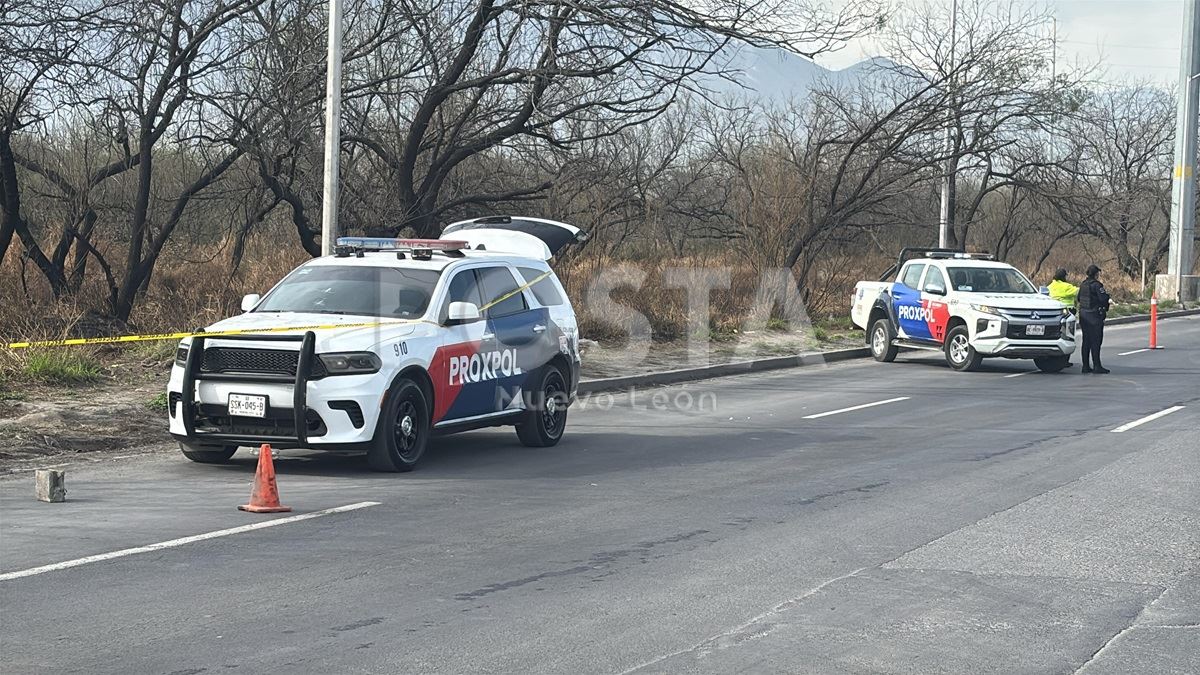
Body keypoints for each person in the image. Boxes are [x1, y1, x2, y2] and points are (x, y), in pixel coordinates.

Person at [1076, 264, 1111, 374]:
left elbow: (1078, 298)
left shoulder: (1083, 284)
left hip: (1083, 315)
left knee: (1086, 341)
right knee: (1096, 341)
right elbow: (1103, 298)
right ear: (1096, 274)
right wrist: (1107, 298)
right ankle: (1097, 366)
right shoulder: (1097, 285)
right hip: (1094, 316)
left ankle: (1085, 366)